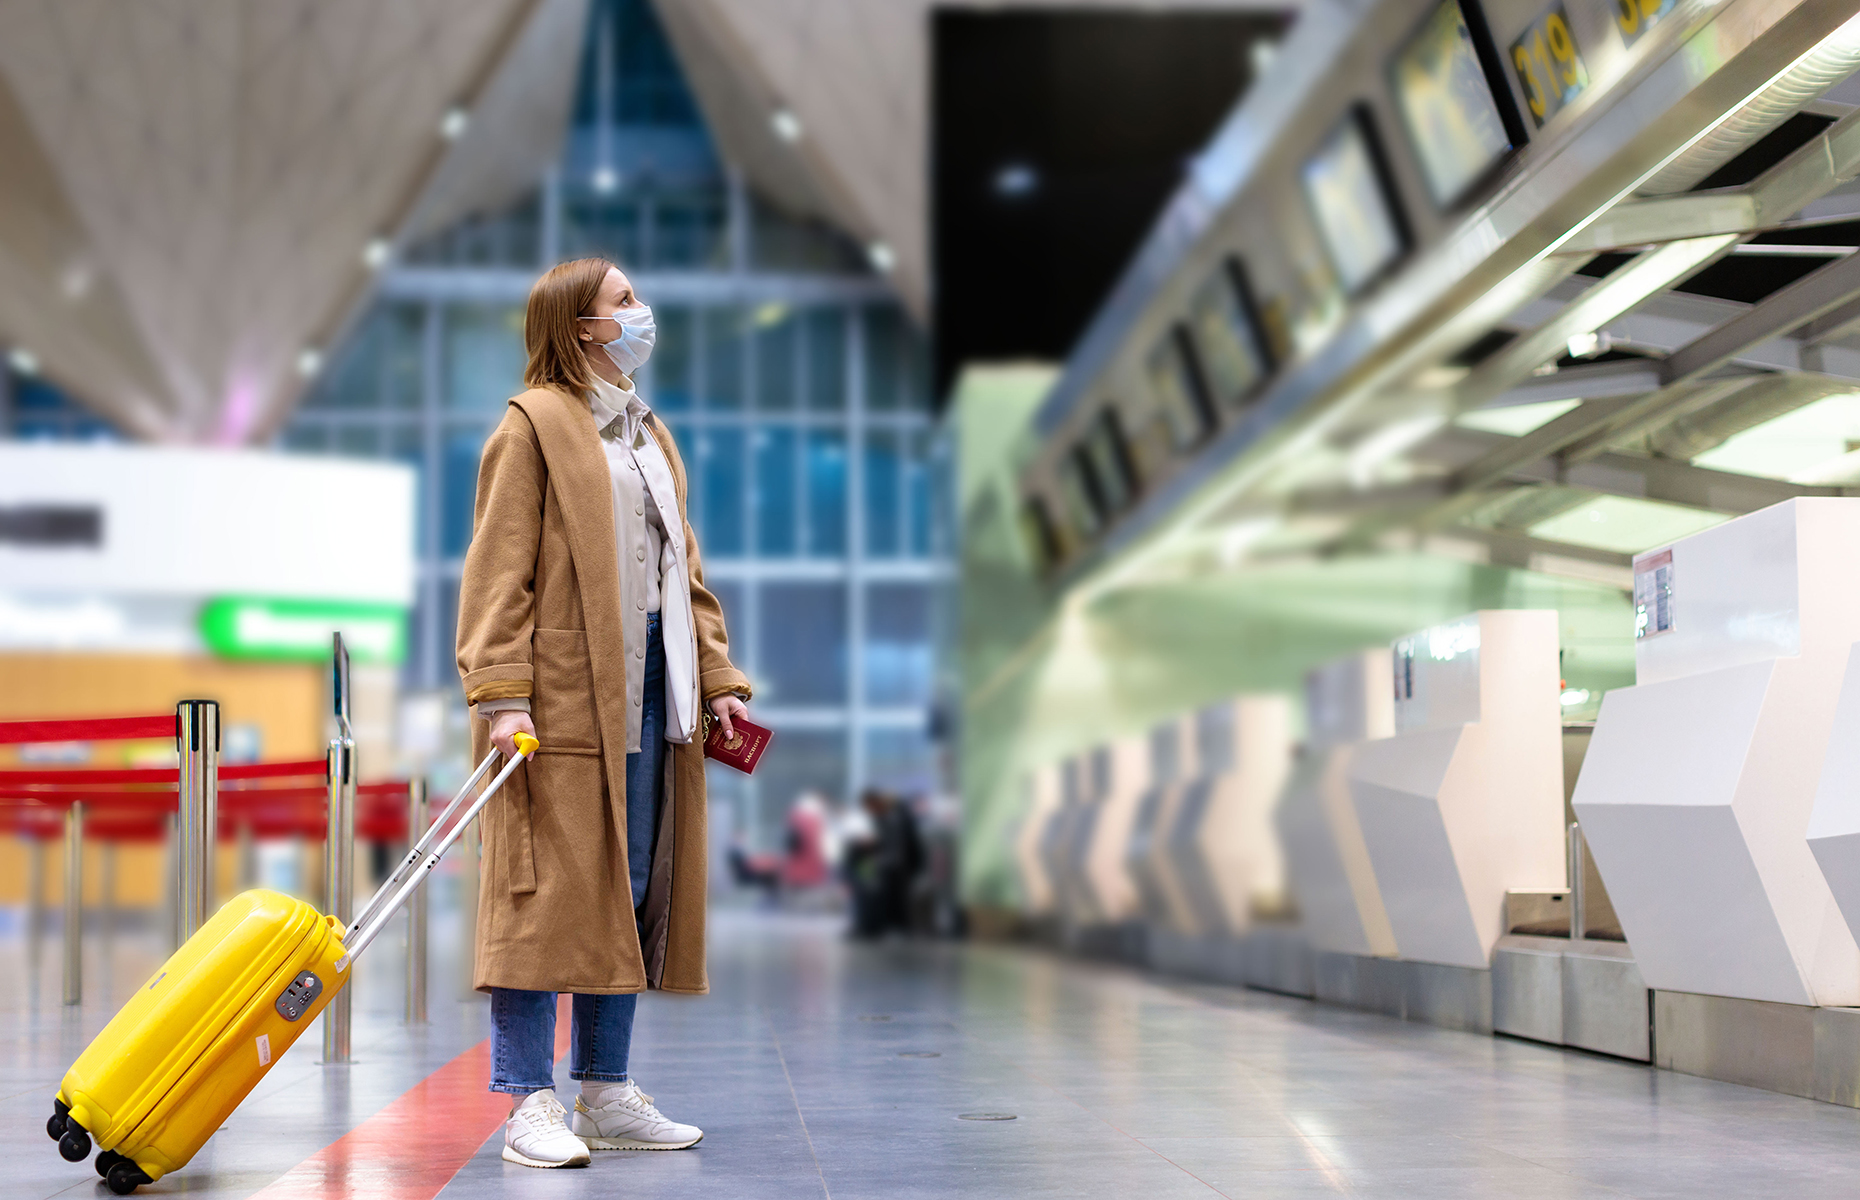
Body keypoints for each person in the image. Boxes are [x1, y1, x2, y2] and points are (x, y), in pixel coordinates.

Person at [456, 257, 753, 1168]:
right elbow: (498, 575)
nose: (640, 311)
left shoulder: (648, 436)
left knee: (622, 893)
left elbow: (685, 579)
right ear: (581, 325)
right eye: (624, 301)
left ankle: (606, 1089)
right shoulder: (532, 425)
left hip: (650, 696)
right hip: (558, 701)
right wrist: (502, 696)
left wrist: (719, 680)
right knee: (543, 898)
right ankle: (527, 1104)